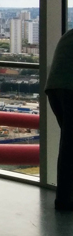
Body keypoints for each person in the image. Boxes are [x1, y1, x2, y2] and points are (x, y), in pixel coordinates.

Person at [46, 30, 73, 211]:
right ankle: (65, 200)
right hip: (70, 89)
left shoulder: (69, 34)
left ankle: (65, 198)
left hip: (56, 89)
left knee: (69, 146)